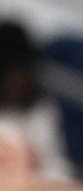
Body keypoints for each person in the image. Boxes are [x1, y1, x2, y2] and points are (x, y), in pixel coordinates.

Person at [0, 20, 73, 181]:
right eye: (11, 72)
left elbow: (60, 173)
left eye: (23, 70)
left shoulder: (43, 112)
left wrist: (33, 162)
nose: (19, 80)